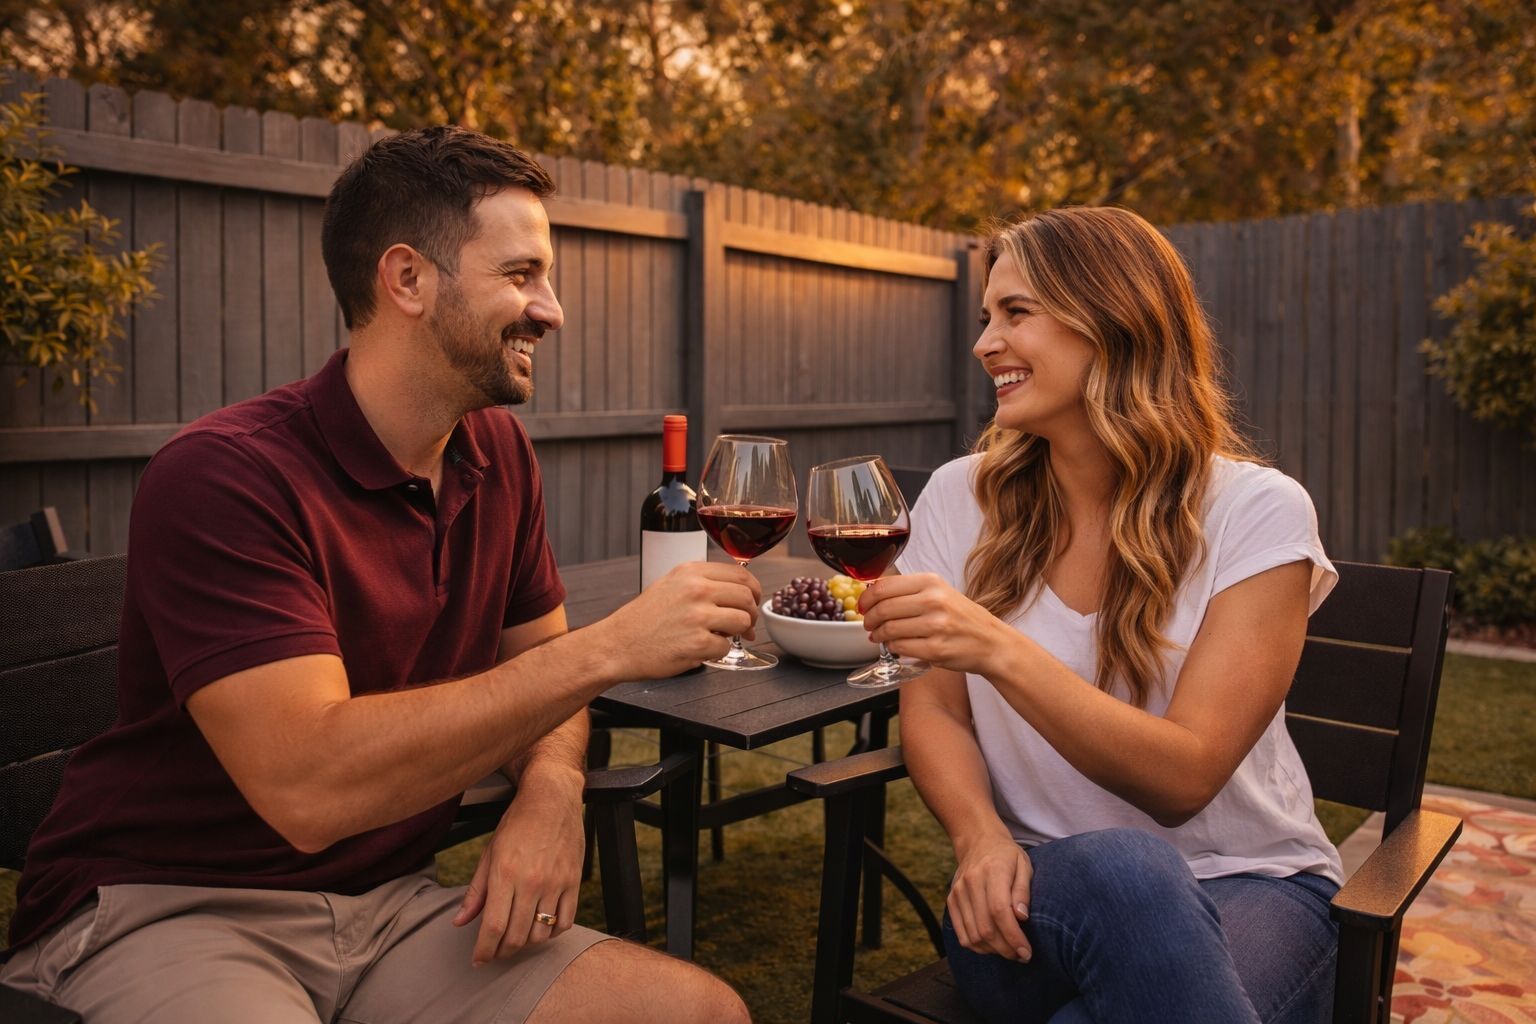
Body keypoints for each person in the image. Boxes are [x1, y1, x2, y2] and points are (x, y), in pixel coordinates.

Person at [1, 126, 755, 1024]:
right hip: (171, 906)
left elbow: (538, 670)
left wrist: (552, 792)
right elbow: (309, 789)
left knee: (702, 1014)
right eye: (522, 274)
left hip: (388, 907)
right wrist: (612, 648)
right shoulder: (225, 476)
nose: (550, 311)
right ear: (407, 279)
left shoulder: (498, 454)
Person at [859, 207, 1343, 1024]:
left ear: (1114, 320)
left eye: (1016, 313)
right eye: (986, 318)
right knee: (1125, 870)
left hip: (1251, 882)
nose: (985, 344)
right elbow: (934, 708)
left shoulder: (1256, 512)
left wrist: (996, 647)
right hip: (1034, 894)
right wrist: (979, 837)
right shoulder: (957, 498)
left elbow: (1184, 779)